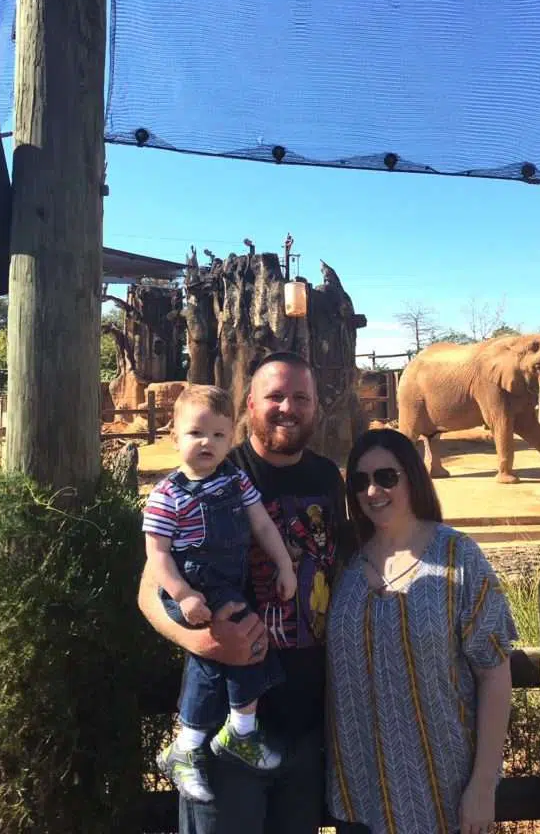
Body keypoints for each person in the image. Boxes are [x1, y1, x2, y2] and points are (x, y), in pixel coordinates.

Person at [138, 353, 349, 834]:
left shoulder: (326, 478)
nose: (287, 408)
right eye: (275, 396)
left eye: (300, 398)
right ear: (249, 405)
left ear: (317, 406)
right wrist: (200, 641)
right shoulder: (210, 471)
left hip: (306, 726)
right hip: (225, 735)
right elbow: (149, 591)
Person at [327, 427, 517, 834]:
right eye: (360, 482)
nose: (372, 491)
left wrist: (483, 784)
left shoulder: (457, 556)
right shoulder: (342, 562)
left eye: (386, 477)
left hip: (443, 793)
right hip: (357, 795)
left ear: (412, 476)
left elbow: (494, 673)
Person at [142, 385, 298, 799]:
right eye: (196, 434)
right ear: (174, 437)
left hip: (227, 587)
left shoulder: (236, 481)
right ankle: (192, 744)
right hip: (190, 589)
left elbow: (263, 526)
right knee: (213, 658)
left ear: (231, 438)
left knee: (249, 646)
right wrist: (182, 594)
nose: (207, 444)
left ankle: (236, 731)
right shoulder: (166, 495)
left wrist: (285, 564)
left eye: (218, 436)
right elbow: (157, 556)